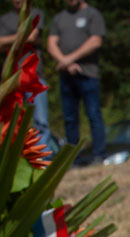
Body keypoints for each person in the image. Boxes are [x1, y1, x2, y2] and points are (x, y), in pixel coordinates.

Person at [47, 0, 105, 163]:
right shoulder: (59, 18)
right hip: (66, 76)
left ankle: (99, 155)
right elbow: (51, 44)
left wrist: (69, 59)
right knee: (70, 119)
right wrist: (66, 63)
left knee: (93, 115)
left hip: (88, 74)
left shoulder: (93, 14)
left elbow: (96, 41)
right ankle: (72, 159)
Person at [0, 0, 51, 152]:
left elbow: (32, 37)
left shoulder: (36, 13)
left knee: (41, 121)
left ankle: (42, 157)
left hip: (32, 75)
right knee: (10, 120)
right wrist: (20, 38)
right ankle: (11, 154)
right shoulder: (4, 19)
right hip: (11, 76)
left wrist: (9, 41)